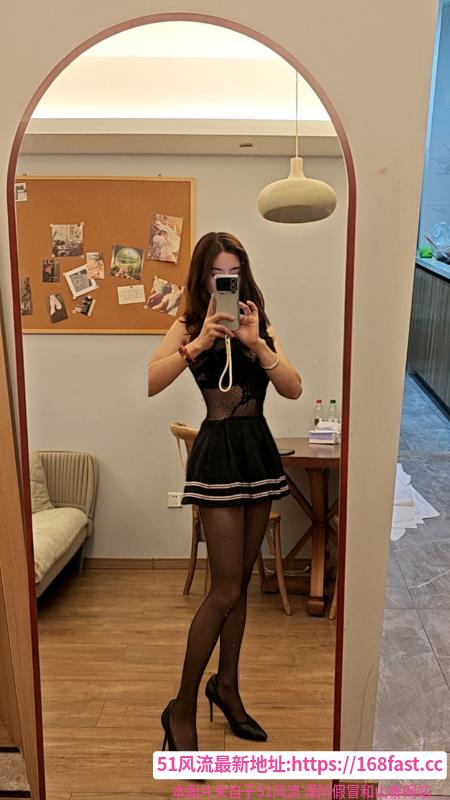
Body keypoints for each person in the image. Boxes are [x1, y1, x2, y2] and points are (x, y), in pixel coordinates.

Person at [147, 231, 302, 752]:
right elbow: (152, 380)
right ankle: (181, 708)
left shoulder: (259, 323)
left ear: (244, 274)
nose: (226, 281)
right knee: (225, 591)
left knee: (242, 586)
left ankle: (228, 688)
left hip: (257, 453)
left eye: (234, 271)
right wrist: (198, 344)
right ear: (203, 277)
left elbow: (293, 387)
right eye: (217, 273)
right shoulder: (189, 324)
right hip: (217, 457)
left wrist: (256, 344)